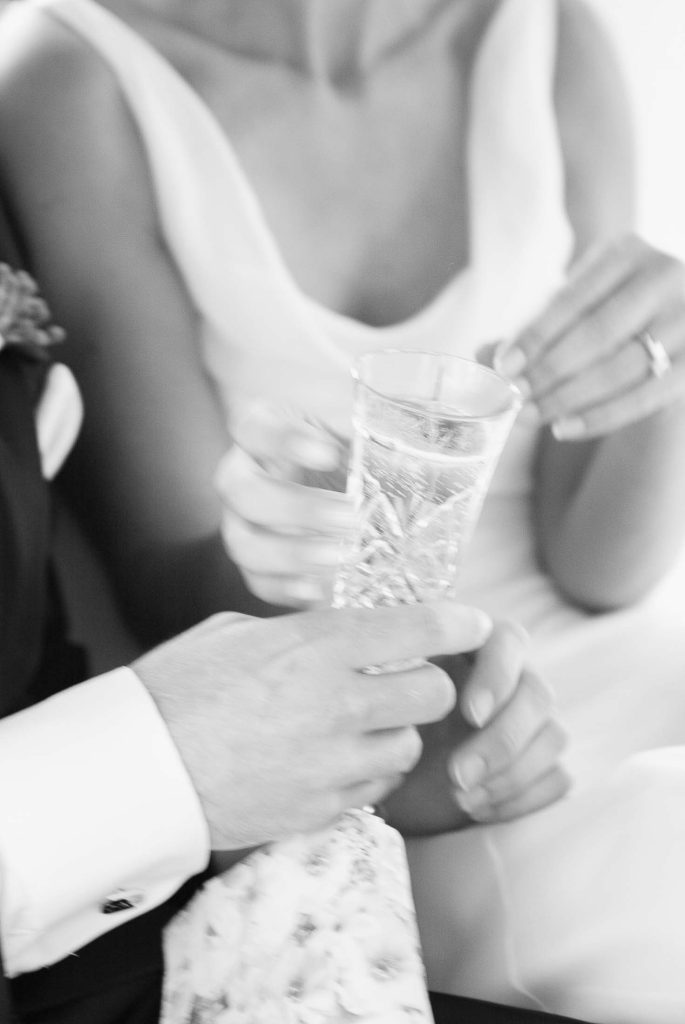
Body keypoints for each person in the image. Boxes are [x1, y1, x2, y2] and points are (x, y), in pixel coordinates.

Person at [0, 0, 684, 1020]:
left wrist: (663, 372)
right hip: (404, 754)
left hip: (619, 673)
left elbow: (599, 567)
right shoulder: (79, 83)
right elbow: (169, 590)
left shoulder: (547, 33)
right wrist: (319, 559)